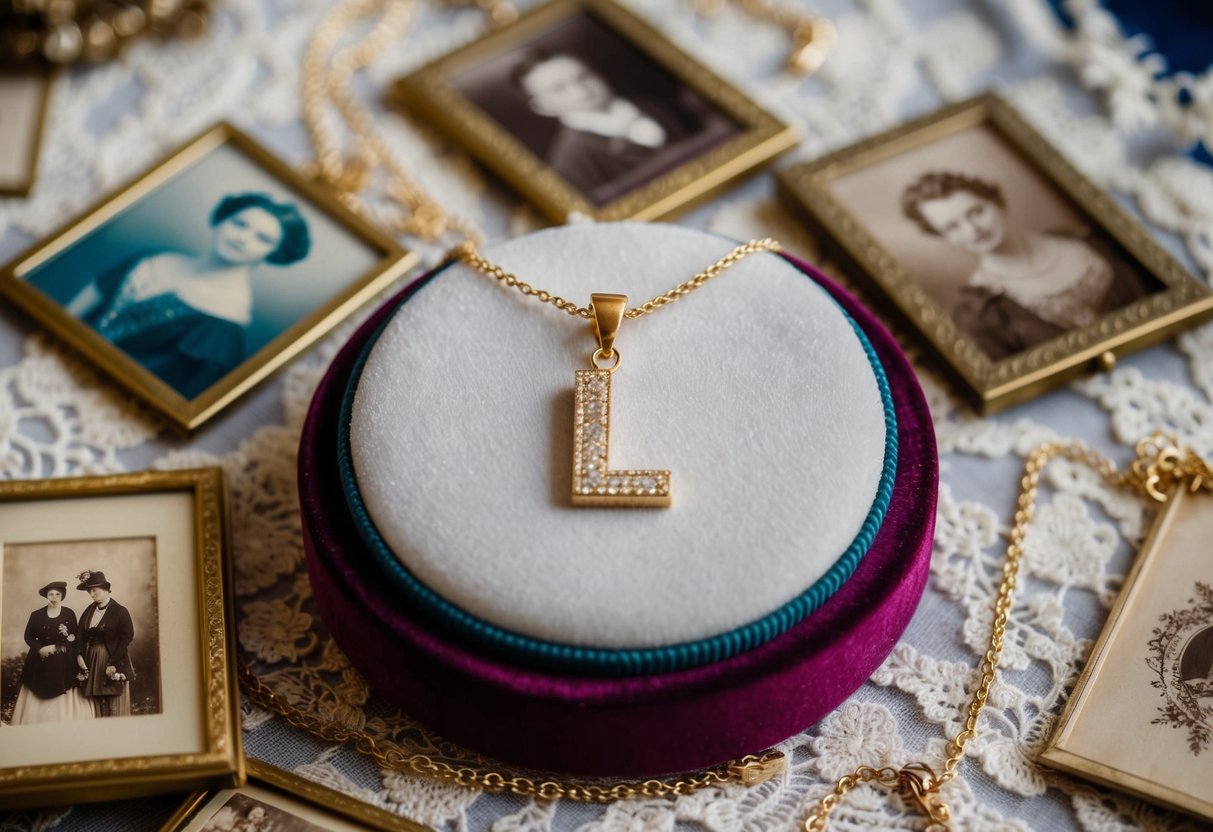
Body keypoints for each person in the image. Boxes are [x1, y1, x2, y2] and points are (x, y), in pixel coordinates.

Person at [64, 192, 311, 399]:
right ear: (221, 220)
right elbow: (77, 307)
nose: (243, 238)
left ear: (273, 253)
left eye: (262, 239)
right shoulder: (153, 259)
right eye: (239, 223)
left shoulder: (222, 331)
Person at [901, 171, 1154, 360]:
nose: (972, 229)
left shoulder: (1091, 240)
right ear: (944, 237)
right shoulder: (976, 314)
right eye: (952, 227)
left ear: (997, 201)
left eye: (976, 212)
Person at [510, 50, 720, 204]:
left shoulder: (652, 103)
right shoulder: (570, 164)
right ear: (542, 106)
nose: (581, 91)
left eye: (583, 76)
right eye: (559, 89)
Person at [10, 581, 93, 724]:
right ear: (46, 596)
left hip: (63, 660)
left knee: (64, 680)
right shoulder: (36, 615)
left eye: (57, 594)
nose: (54, 597)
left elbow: (74, 637)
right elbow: (28, 636)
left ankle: (63, 718)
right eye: (51, 594)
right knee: (36, 684)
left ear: (62, 596)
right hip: (41, 658)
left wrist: (62, 646)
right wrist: (40, 648)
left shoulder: (69, 613)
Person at [75, 570, 135, 718]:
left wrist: (113, 662)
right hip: (91, 658)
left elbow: (127, 638)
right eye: (89, 591)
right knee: (98, 699)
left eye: (94, 590)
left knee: (111, 696)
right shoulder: (89, 611)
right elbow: (79, 635)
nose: (92, 594)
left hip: (111, 657)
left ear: (106, 589)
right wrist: (79, 655)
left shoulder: (120, 611)